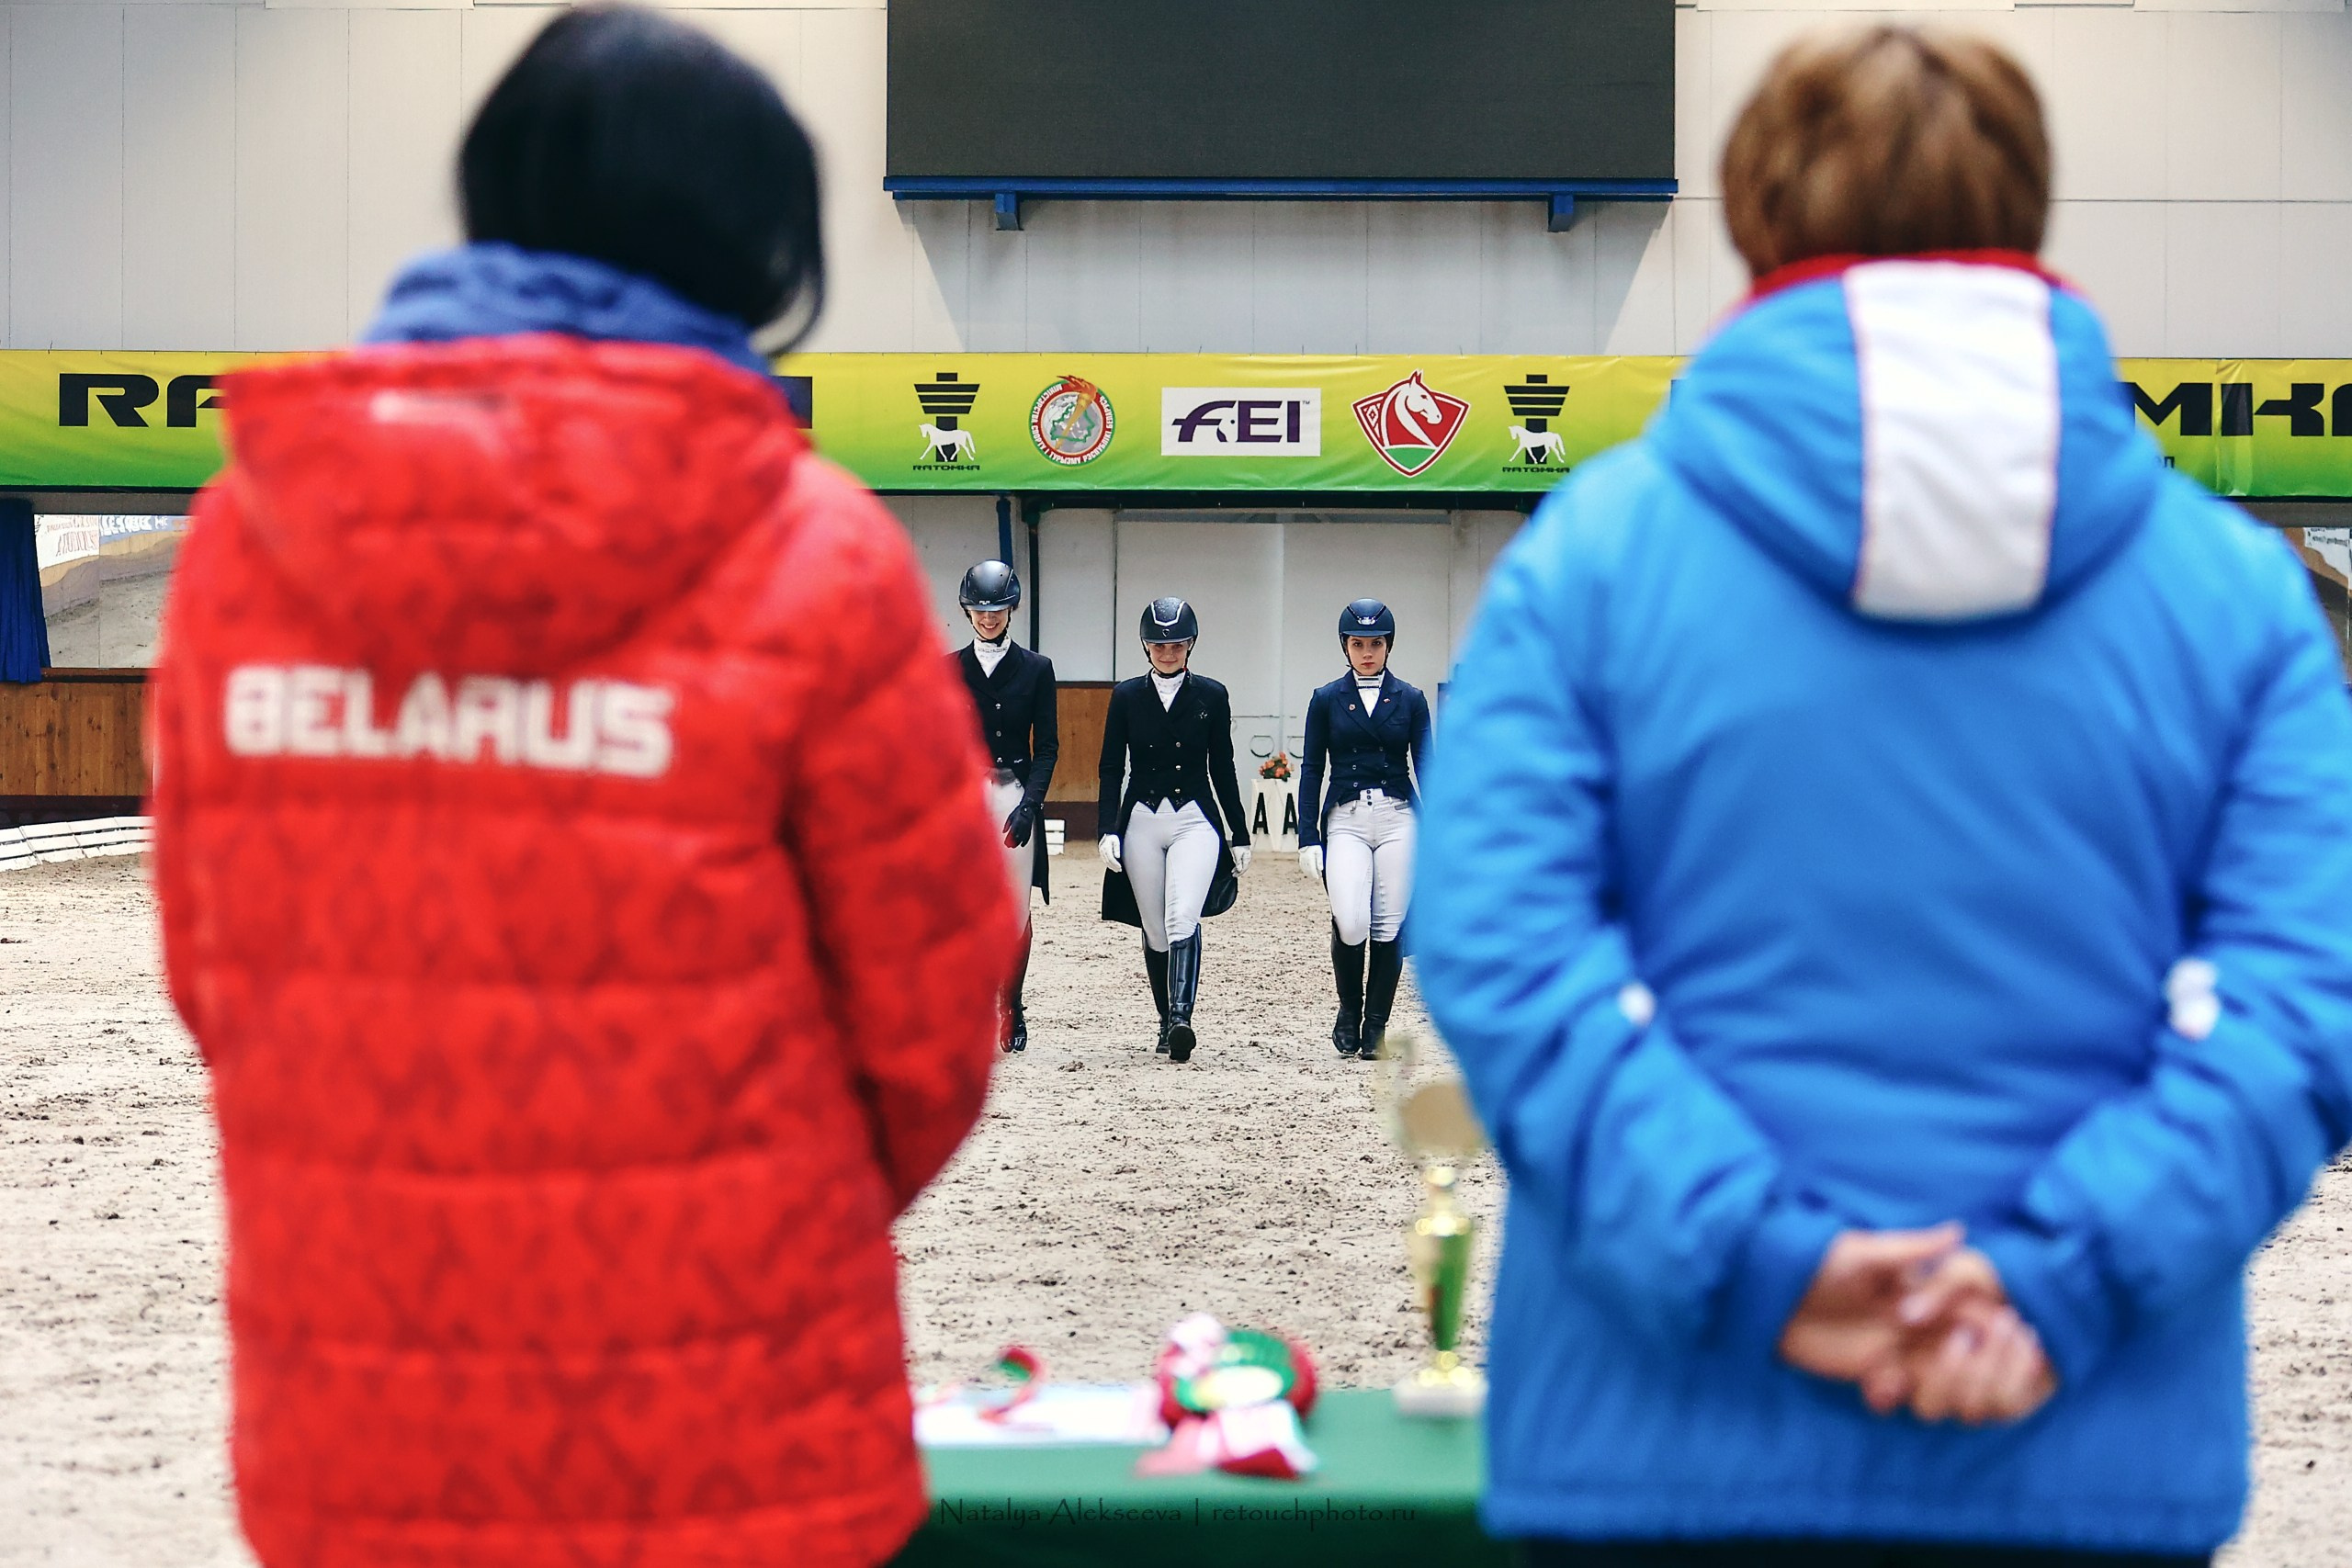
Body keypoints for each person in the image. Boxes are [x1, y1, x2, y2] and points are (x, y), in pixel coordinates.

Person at [1413, 26, 2352, 1568]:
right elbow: (2301, 996)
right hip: (2076, 1437)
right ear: (2029, 217)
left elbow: (1504, 948)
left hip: (1667, 1440)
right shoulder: (2238, 597)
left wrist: (1762, 1258)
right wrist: (2059, 1278)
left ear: (1755, 218)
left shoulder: (1591, 560)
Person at [144, 10, 1020, 1568]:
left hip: (360, 1426)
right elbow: (937, 1012)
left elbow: (219, 977)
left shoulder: (245, 547)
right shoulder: (814, 551)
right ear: (760, 255)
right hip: (737, 1431)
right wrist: (758, 1208)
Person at [1097, 596, 1253, 1062]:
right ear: (1146, 647)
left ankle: (1183, 1019)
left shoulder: (1212, 694)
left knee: (1181, 914)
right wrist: (1109, 827)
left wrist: (1239, 832)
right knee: (1154, 928)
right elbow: (1110, 766)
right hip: (1141, 819)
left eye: (1177, 645)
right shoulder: (1126, 696)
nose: (1168, 653)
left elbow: (1223, 767)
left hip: (1195, 819)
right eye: (1159, 645)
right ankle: (1165, 1022)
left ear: (1191, 645)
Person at [1296, 598, 1432, 1059]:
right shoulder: (1326, 698)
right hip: (1347, 819)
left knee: (1388, 923)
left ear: (1388, 646)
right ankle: (1348, 1011)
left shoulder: (1411, 699)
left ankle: (1376, 1025)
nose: (1367, 652)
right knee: (1351, 919)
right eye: (1358, 644)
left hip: (1398, 819)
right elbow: (1312, 769)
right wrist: (1308, 836)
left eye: (1376, 643)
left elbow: (1427, 767)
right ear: (1346, 647)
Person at [950, 558, 1058, 1054]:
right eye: (979, 609)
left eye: (996, 609)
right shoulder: (949, 668)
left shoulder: (1037, 669)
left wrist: (1031, 805)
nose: (988, 618)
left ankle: (1010, 1004)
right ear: (967, 611)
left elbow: (1049, 746)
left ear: (1011, 608)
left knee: (1015, 910)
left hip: (1015, 792)